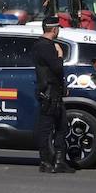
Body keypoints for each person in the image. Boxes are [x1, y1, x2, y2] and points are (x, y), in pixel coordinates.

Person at [29, 15, 71, 173]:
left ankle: (59, 161)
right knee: (46, 128)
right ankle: (46, 161)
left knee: (62, 126)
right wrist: (60, 55)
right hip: (49, 92)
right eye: (58, 28)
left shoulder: (42, 45)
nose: (58, 30)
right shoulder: (45, 46)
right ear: (54, 29)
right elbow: (57, 68)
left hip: (54, 92)